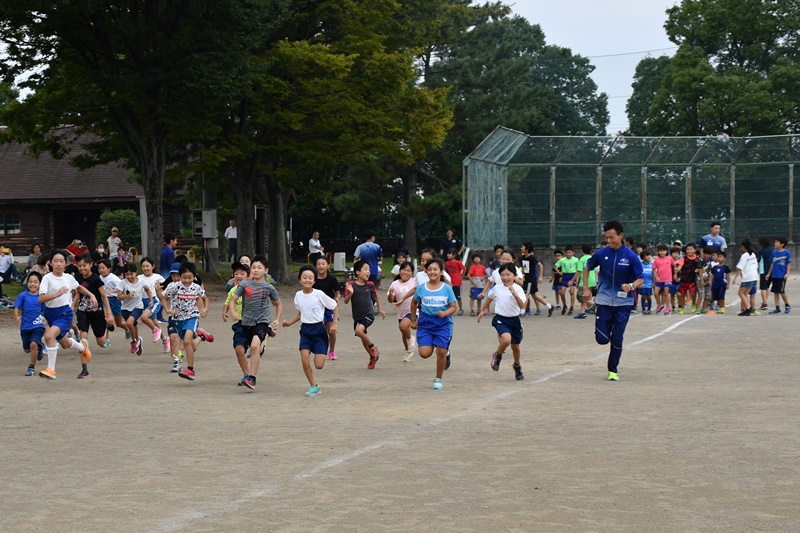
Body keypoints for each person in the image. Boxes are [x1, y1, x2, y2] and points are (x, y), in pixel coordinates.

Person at [582, 220, 643, 381]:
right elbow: (587, 267)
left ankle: (613, 370)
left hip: (624, 304)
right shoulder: (601, 254)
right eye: (606, 237)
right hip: (603, 301)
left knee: (617, 338)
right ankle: (603, 326)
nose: (608, 241)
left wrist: (631, 286)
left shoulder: (631, 256)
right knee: (602, 339)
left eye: (612, 237)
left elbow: (640, 279)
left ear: (621, 236)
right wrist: (586, 288)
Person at [37, 249, 95, 380]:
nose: (58, 264)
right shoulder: (47, 278)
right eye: (55, 261)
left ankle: (51, 370)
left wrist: (91, 295)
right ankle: (82, 348)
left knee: (49, 336)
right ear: (50, 263)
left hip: (64, 312)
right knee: (64, 344)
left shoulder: (68, 278)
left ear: (65, 264)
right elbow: (41, 299)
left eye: (61, 261)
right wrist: (57, 294)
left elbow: (78, 287)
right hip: (50, 313)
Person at [282, 265, 338, 397]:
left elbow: (334, 305)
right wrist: (289, 323)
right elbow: (301, 313)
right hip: (305, 330)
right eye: (304, 277)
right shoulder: (298, 295)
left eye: (310, 278)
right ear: (300, 279)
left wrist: (334, 323)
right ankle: (314, 386)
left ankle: (319, 353)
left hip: (319, 331)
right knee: (304, 360)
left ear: (314, 281)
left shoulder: (319, 294)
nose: (307, 280)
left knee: (319, 365)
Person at [228, 256, 282, 390]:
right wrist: (233, 312)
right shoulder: (245, 284)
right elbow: (233, 300)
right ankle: (248, 374)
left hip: (262, 321)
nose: (256, 270)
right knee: (243, 348)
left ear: (266, 271)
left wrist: (277, 319)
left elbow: (278, 303)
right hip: (246, 322)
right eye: (253, 267)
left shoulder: (268, 287)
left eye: (259, 268)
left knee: (254, 347)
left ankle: (252, 378)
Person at [410, 258, 457, 390]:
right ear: (426, 272)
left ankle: (438, 378)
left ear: (441, 272)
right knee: (424, 353)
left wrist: (445, 313)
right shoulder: (421, 288)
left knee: (441, 352)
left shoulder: (447, 288)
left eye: (435, 269)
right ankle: (435, 342)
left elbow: (453, 307)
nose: (432, 272)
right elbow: (413, 303)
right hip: (425, 324)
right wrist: (413, 319)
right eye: (429, 270)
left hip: (443, 324)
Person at [478, 263, 526, 380]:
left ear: (514, 275)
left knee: (515, 347)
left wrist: (515, 294)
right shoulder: (497, 288)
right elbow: (489, 298)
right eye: (502, 275)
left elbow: (522, 306)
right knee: (506, 339)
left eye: (508, 275)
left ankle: (517, 365)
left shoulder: (518, 289)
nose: (505, 277)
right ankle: (497, 355)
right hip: (500, 319)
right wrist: (482, 310)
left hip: (514, 320)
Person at [162, 263, 210, 381]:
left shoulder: (196, 287)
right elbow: (164, 298)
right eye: (184, 277)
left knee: (187, 341)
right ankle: (201, 336)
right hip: (178, 319)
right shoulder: (173, 287)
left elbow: (205, 298)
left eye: (190, 277)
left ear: (194, 277)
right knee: (190, 345)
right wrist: (167, 310)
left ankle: (190, 369)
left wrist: (205, 308)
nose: (187, 280)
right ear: (180, 276)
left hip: (192, 317)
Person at [73, 253, 115, 378]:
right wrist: (72, 306)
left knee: (101, 342)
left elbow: (104, 296)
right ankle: (84, 370)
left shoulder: (96, 279)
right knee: (83, 339)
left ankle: (106, 326)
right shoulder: (78, 278)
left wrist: (108, 313)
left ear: (90, 265)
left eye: (84, 265)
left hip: (97, 312)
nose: (82, 268)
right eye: (79, 266)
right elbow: (78, 294)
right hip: (82, 311)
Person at [343, 260, 385, 369]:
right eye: (365, 269)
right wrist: (351, 293)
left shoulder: (370, 284)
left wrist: (380, 309)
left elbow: (376, 295)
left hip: (369, 314)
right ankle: (373, 357)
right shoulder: (351, 285)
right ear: (357, 272)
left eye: (369, 270)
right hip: (357, 317)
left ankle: (373, 348)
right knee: (362, 338)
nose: (368, 272)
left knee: (359, 331)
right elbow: (346, 301)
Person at [223, 262, 252, 384]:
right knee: (239, 349)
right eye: (236, 274)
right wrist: (225, 312)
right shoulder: (233, 291)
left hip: (253, 324)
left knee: (256, 348)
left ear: (248, 276)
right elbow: (228, 302)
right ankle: (247, 375)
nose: (239, 276)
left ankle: (265, 336)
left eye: (242, 273)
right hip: (239, 324)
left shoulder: (254, 289)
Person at [116, 262, 152, 355]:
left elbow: (147, 289)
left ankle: (134, 342)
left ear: (136, 273)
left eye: (131, 274)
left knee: (129, 323)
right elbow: (119, 297)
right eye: (127, 274)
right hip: (125, 309)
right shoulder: (122, 283)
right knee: (134, 326)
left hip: (138, 307)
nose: (129, 276)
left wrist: (151, 300)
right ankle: (138, 341)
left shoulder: (141, 282)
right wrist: (127, 296)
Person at [15, 271, 46, 376]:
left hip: (38, 325)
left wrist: (46, 320)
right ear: (27, 283)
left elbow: (46, 310)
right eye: (30, 282)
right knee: (27, 349)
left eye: (35, 282)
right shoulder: (23, 295)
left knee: (33, 344)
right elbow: (16, 307)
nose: (33, 284)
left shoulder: (42, 297)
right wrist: (17, 317)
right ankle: (39, 347)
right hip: (25, 326)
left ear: (40, 284)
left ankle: (31, 367)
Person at [387, 261, 417, 362]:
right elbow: (391, 300)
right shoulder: (395, 284)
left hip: (413, 311)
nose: (405, 272)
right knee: (404, 333)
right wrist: (390, 294)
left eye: (408, 271)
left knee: (403, 326)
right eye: (403, 270)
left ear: (412, 273)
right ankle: (408, 351)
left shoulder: (415, 281)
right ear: (399, 271)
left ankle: (411, 339)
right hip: (401, 312)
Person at [313, 256, 342, 360]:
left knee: (331, 331)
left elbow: (338, 292)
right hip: (317, 309)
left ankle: (332, 351)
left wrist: (337, 299)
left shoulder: (332, 279)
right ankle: (320, 349)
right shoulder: (313, 279)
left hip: (330, 308)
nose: (320, 266)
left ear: (328, 266)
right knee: (319, 332)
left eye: (323, 264)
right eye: (318, 264)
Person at [138, 257, 169, 351]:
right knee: (154, 321)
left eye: (147, 266)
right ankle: (165, 339)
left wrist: (160, 292)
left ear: (153, 266)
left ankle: (155, 330)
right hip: (142, 302)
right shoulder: (139, 278)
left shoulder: (158, 277)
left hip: (154, 301)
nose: (145, 268)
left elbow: (166, 290)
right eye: (143, 266)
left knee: (144, 317)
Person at [97, 259, 129, 339]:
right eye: (99, 268)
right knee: (106, 318)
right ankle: (106, 339)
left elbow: (122, 287)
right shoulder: (99, 277)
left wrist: (111, 291)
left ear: (108, 269)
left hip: (115, 300)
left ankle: (127, 328)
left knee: (119, 323)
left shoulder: (113, 278)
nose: (101, 270)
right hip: (105, 300)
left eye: (103, 268)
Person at [520, 242, 553, 317]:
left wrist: (540, 276)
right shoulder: (523, 258)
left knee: (526, 294)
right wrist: (521, 274)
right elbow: (525, 269)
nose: (521, 248)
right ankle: (549, 306)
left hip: (531, 279)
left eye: (522, 247)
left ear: (527, 249)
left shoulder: (532, 258)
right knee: (535, 295)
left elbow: (540, 265)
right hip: (526, 279)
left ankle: (523, 311)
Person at [730, 239, 759, 316]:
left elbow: (740, 267)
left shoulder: (745, 255)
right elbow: (756, 266)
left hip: (748, 277)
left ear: (743, 246)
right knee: (745, 293)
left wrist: (735, 278)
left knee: (740, 293)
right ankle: (745, 309)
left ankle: (748, 308)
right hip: (754, 276)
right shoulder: (753, 254)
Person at [766, 236, 791, 314]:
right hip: (775, 275)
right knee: (775, 291)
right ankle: (777, 307)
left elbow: (788, 263)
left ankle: (787, 305)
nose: (775, 244)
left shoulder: (786, 252)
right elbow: (772, 264)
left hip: (782, 275)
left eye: (777, 242)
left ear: (782, 244)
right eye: (775, 242)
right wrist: (769, 273)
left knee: (781, 291)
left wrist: (787, 273)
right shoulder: (774, 253)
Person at [555, 245, 580, 316]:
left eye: (570, 252)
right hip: (565, 276)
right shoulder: (562, 260)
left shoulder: (576, 260)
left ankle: (572, 307)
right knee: (562, 293)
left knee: (572, 292)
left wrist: (575, 278)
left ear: (573, 253)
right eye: (567, 252)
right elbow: (555, 266)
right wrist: (558, 271)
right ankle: (564, 305)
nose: (568, 254)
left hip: (572, 275)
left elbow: (578, 269)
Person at [675, 243, 700, 314]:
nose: (689, 251)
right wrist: (678, 269)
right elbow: (680, 266)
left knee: (693, 293)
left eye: (691, 249)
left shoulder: (698, 260)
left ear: (695, 250)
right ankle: (682, 308)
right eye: (688, 249)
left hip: (692, 279)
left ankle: (693, 304)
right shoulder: (683, 259)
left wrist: (697, 270)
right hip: (684, 279)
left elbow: (700, 268)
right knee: (682, 294)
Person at [574, 244, 596, 319]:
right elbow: (595, 271)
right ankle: (582, 313)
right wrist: (595, 281)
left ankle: (595, 305)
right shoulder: (592, 258)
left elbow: (579, 271)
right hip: (592, 281)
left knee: (580, 296)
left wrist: (572, 280)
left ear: (581, 251)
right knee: (585, 296)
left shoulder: (582, 259)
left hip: (585, 282)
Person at [652, 244, 675, 315]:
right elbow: (654, 269)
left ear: (666, 251)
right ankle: (660, 304)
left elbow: (674, 266)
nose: (662, 252)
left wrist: (675, 274)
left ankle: (667, 308)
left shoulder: (669, 258)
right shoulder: (656, 260)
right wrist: (656, 277)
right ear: (658, 251)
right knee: (656, 293)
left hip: (667, 279)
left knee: (666, 293)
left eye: (664, 251)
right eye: (660, 251)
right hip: (659, 280)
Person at [445, 248, 466, 316]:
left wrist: (462, 276)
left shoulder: (458, 262)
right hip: (449, 282)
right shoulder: (447, 263)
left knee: (458, 296)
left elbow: (464, 268)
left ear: (454, 255)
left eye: (449, 254)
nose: (448, 255)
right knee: (449, 296)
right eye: (448, 253)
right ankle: (450, 309)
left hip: (457, 282)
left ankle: (460, 309)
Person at [757, 236, 773, 311]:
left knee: (763, 287)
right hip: (771, 270)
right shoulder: (772, 250)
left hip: (763, 271)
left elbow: (758, 259)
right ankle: (765, 301)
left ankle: (765, 303)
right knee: (767, 287)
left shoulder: (761, 251)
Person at [638, 250, 654, 315]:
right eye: (647, 255)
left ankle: (649, 309)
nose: (648, 257)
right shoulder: (640, 265)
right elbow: (638, 274)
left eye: (649, 255)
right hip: (643, 283)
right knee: (643, 296)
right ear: (643, 257)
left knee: (648, 296)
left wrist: (653, 282)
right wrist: (639, 283)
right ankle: (643, 309)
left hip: (649, 283)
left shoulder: (651, 264)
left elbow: (653, 274)